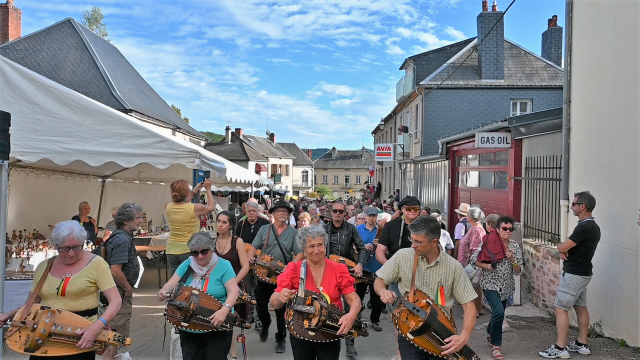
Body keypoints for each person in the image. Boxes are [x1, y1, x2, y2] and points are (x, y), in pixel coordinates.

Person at [0, 221, 122, 360]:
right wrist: (9, 314)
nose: (71, 253)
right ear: (55, 245)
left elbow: (116, 300)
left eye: (77, 247)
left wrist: (97, 327)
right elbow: (31, 304)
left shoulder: (97, 264)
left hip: (80, 336)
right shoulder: (44, 267)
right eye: (64, 249)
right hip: (42, 336)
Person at [374, 216, 478, 360]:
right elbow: (379, 280)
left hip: (441, 333)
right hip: (409, 330)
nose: (413, 246)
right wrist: (383, 291)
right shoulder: (402, 256)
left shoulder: (453, 267)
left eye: (418, 242)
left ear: (434, 242)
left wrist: (464, 337)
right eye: (412, 240)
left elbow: (469, 305)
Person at [270, 226, 360, 360]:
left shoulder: (338, 269)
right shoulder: (294, 269)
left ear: (325, 246)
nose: (317, 250)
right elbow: (274, 302)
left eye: (320, 245)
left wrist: (351, 315)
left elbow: (354, 299)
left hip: (330, 330)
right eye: (311, 246)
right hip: (301, 330)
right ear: (304, 249)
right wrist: (280, 296)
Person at [158, 232, 239, 360]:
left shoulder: (223, 265)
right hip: (190, 325)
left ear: (212, 249)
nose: (200, 256)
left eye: (204, 252)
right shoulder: (187, 264)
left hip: (216, 324)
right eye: (195, 253)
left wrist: (225, 310)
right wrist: (163, 292)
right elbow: (171, 284)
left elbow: (234, 291)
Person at [539, 192, 600, 359]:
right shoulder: (592, 226)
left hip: (574, 274)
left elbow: (562, 246)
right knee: (580, 307)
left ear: (583, 206)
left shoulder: (584, 226)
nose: (571, 207)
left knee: (560, 307)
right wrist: (566, 250)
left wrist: (562, 248)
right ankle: (582, 344)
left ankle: (560, 347)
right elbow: (575, 248)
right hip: (583, 272)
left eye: (574, 204)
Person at [247, 201, 304, 353]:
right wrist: (251, 256)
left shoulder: (293, 232)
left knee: (281, 309)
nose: (283, 213)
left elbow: (300, 253)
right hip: (263, 275)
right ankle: (265, 325)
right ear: (273, 213)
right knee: (260, 304)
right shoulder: (264, 229)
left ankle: (280, 338)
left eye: (285, 211)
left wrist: (290, 267)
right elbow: (254, 246)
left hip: (283, 276)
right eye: (279, 211)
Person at [468, 216, 521, 360]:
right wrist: (486, 266)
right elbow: (474, 260)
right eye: (504, 228)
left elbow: (518, 270)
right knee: (499, 312)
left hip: (506, 286)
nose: (508, 231)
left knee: (499, 312)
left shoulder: (514, 247)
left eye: (510, 229)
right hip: (490, 284)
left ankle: (490, 330)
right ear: (497, 229)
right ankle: (496, 346)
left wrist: (513, 260)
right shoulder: (488, 242)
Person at [323, 201, 367, 357]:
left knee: (350, 308)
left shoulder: (351, 228)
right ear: (330, 212)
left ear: (345, 213)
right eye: (335, 211)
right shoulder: (324, 229)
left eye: (341, 211)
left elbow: (361, 248)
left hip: (346, 272)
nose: (337, 213)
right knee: (327, 306)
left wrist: (360, 264)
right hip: (327, 271)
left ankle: (349, 343)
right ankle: (327, 337)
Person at [102, 203, 143, 360]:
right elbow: (115, 270)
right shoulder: (122, 240)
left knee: (114, 336)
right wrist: (127, 288)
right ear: (126, 221)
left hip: (116, 292)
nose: (140, 221)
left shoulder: (121, 237)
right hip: (118, 293)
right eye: (137, 218)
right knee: (116, 337)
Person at [213, 211, 250, 360]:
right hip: (216, 286)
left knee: (230, 322)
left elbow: (245, 266)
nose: (220, 225)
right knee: (218, 319)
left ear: (231, 225)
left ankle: (233, 356)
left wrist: (233, 284)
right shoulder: (212, 241)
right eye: (218, 221)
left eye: (224, 222)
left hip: (234, 285)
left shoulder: (237, 241)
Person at [166, 178, 216, 277]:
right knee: (189, 280)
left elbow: (182, 202)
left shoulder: (168, 206)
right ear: (186, 192)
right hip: (188, 249)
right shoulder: (195, 208)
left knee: (175, 279)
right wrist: (208, 189)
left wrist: (195, 190)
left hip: (171, 249)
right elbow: (211, 207)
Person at [356, 207, 384, 332]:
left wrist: (380, 245)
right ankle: (356, 316)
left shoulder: (381, 230)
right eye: (370, 216)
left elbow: (387, 248)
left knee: (376, 297)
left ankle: (375, 320)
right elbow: (353, 245)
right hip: (363, 267)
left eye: (374, 216)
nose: (372, 218)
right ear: (365, 216)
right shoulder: (358, 229)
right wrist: (363, 246)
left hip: (377, 268)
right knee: (358, 295)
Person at [457, 207, 486, 317]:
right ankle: (478, 309)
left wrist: (470, 263)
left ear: (471, 217)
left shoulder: (476, 229)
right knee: (476, 286)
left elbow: (474, 248)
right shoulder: (477, 228)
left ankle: (472, 311)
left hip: (471, 263)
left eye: (468, 214)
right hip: (472, 263)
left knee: (468, 287)